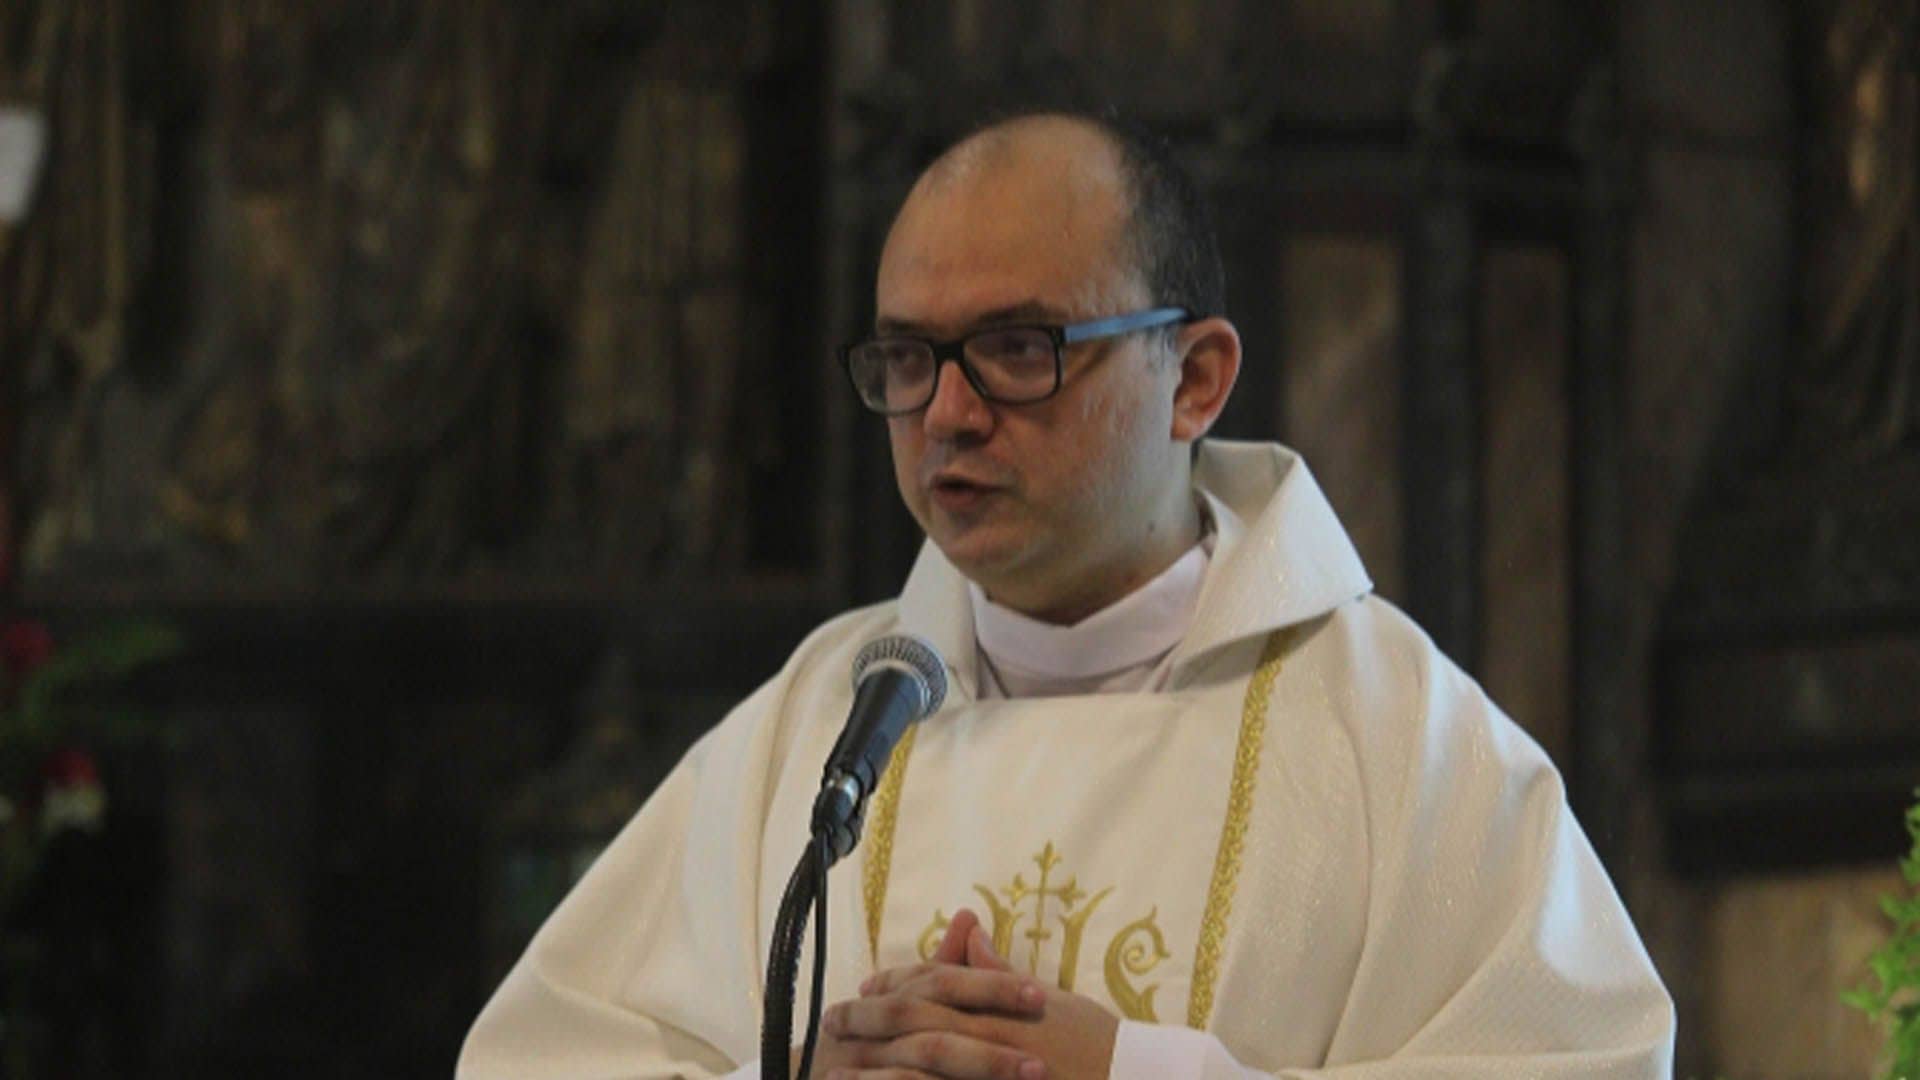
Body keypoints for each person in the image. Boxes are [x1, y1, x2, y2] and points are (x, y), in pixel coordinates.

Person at [458, 111, 1675, 1079]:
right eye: (907, 358)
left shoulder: (1390, 735)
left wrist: (1138, 1077)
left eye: (1017, 349)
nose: (945, 413)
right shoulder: (814, 732)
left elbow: (1595, 1063)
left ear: (1194, 380)